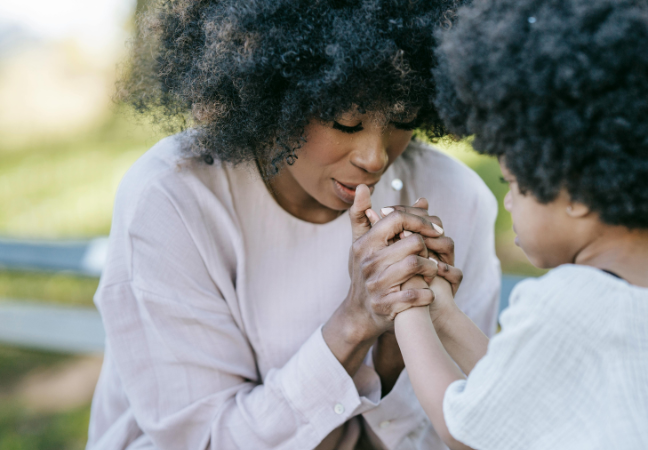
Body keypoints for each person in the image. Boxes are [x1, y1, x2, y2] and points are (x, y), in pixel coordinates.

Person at [86, 1, 500, 449]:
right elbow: (202, 440)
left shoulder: (455, 198)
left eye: (401, 118)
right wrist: (355, 323)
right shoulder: (174, 198)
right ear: (276, 92)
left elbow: (474, 425)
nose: (374, 157)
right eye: (346, 121)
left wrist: (398, 354)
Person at [392, 0, 648, 448]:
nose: (509, 201)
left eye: (513, 182)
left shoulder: (569, 302)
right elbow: (518, 400)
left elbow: (463, 431)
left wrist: (407, 306)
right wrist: (444, 312)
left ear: (573, 193)